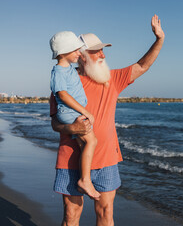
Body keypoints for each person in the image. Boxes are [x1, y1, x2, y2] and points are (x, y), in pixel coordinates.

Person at [50, 15, 165, 226]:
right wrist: (71, 127)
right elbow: (55, 124)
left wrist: (159, 40)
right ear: (81, 55)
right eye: (96, 50)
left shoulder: (111, 80)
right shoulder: (64, 84)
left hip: (106, 161)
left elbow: (142, 66)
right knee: (71, 216)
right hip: (70, 160)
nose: (103, 54)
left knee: (105, 214)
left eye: (103, 49)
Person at [50, 31, 101, 200]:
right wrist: (85, 111)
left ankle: (84, 177)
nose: (80, 53)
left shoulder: (67, 69)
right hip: (71, 114)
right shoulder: (58, 71)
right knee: (92, 141)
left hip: (72, 113)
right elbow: (63, 95)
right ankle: (85, 180)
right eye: (76, 50)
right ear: (64, 52)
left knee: (84, 144)